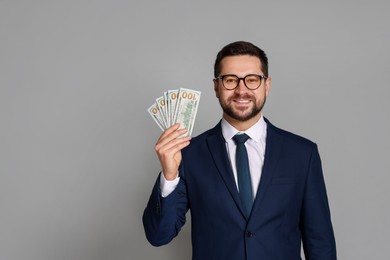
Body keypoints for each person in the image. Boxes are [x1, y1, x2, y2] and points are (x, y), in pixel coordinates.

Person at [143, 41, 336, 259]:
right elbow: (158, 235)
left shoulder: (302, 154)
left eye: (252, 80)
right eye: (230, 80)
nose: (241, 90)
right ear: (216, 87)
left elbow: (320, 244)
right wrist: (169, 176)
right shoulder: (189, 155)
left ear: (267, 85)